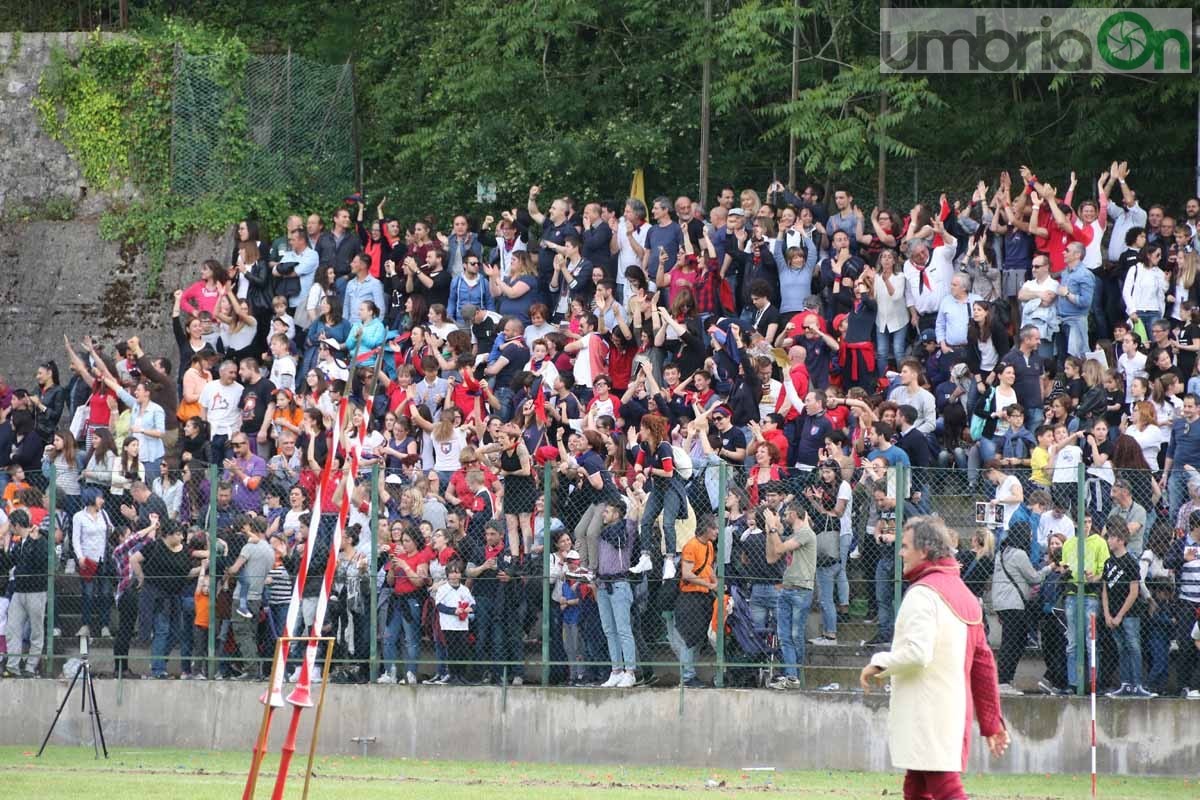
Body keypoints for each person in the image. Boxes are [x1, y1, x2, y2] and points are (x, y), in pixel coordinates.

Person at [860, 516, 1008, 800]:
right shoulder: (964, 594)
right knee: (915, 788)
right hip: (951, 712)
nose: (901, 552)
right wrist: (991, 723)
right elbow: (984, 665)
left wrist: (879, 664)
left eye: (905, 546)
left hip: (926, 713)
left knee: (945, 789)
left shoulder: (923, 594)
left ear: (924, 551)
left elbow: (917, 653)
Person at [765, 502, 816, 690]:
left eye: (786, 514)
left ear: (795, 514)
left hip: (801, 590)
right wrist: (769, 529)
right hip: (786, 589)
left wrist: (772, 527)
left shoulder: (805, 533)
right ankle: (791, 676)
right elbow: (771, 556)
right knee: (784, 636)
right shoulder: (794, 536)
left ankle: (795, 673)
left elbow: (778, 549)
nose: (784, 517)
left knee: (795, 635)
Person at [1101, 521, 1155, 698]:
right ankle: (1125, 684)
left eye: (1111, 537)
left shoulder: (1131, 562)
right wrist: (1108, 614)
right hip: (1113, 613)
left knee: (1133, 646)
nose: (1108, 540)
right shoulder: (1108, 563)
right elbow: (1105, 590)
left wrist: (1120, 616)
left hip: (1130, 615)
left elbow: (1133, 592)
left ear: (1121, 540)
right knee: (1121, 648)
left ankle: (1137, 684)